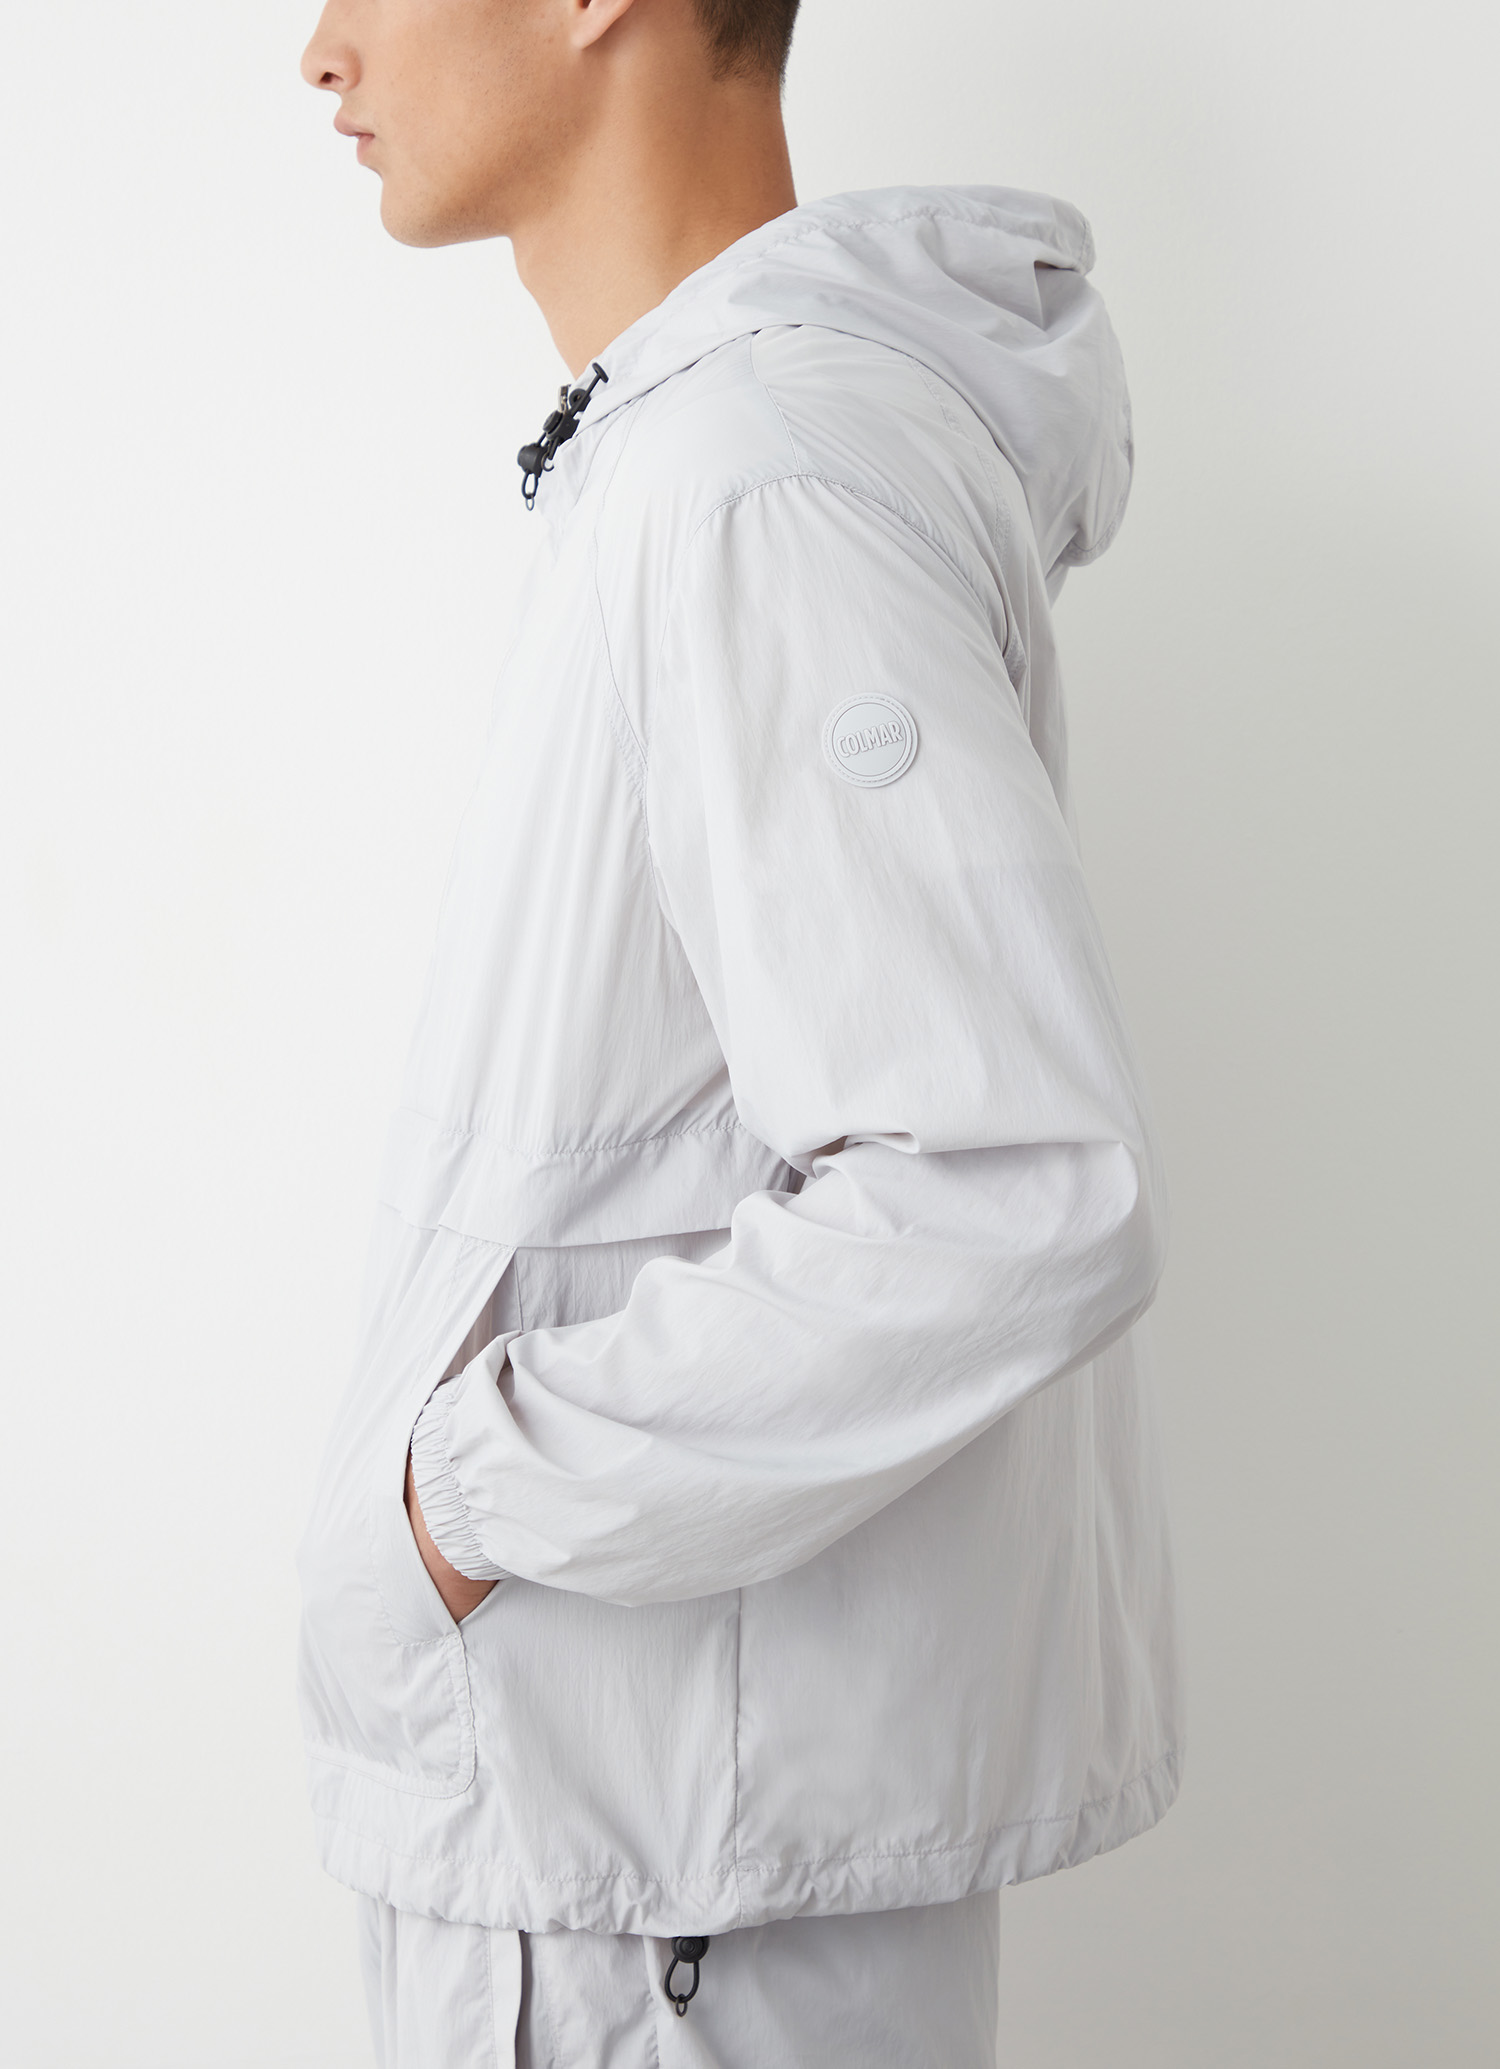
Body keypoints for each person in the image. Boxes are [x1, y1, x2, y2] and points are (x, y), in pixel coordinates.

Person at [296, 1, 1184, 2062]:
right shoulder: (696, 455)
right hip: (651, 1852)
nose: (319, 50)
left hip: (655, 1906)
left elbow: (1007, 1183)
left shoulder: (749, 476)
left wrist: (462, 1495)